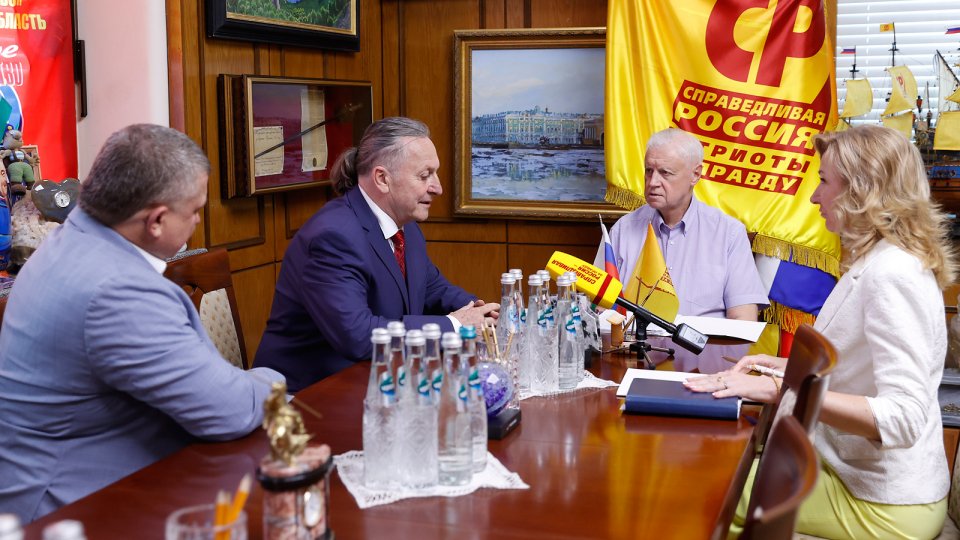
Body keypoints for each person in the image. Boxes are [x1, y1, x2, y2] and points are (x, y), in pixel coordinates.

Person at [0, 124, 285, 523]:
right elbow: (227, 411)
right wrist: (274, 381)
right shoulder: (117, 289)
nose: (197, 221)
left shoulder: (74, 239)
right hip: (75, 508)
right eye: (195, 211)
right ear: (156, 221)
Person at [685, 125, 954, 539]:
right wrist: (781, 368)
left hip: (884, 504)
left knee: (703, 492)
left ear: (861, 191)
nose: (813, 196)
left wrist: (786, 388)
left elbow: (904, 418)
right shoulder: (876, 261)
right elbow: (854, 368)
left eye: (824, 181)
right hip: (852, 475)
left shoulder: (892, 274)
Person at [256, 117, 498, 392]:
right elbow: (358, 336)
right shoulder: (333, 236)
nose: (438, 187)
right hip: (305, 396)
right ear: (382, 179)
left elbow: (432, 289)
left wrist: (484, 313)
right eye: (424, 175)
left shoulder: (406, 227)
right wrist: (454, 325)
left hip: (373, 384)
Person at [609, 128, 768, 320]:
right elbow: (599, 309)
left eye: (665, 173)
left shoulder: (729, 234)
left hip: (703, 341)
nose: (652, 182)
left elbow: (744, 320)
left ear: (695, 175)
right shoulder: (622, 230)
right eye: (649, 171)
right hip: (633, 339)